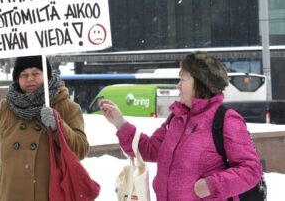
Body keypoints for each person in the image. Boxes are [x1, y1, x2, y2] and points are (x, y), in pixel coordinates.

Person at [100, 51, 263, 201]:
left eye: (183, 79)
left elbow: (251, 170)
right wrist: (120, 123)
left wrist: (211, 185)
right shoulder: (176, 119)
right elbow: (149, 149)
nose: (178, 85)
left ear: (200, 83)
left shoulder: (227, 120)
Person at [0, 55, 89, 201]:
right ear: (17, 79)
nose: (29, 78)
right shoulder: (6, 106)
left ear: (47, 76)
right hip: (7, 195)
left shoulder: (67, 107)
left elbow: (81, 150)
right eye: (24, 75)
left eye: (36, 73)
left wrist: (58, 127)